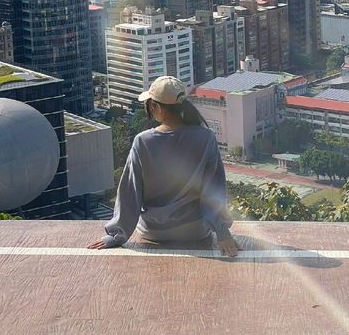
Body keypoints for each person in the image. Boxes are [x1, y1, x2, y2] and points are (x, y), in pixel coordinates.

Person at [87, 76, 239, 256]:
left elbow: (130, 192)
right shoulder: (205, 137)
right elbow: (214, 190)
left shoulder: (143, 141)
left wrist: (116, 235)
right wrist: (222, 232)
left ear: (156, 107)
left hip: (154, 231)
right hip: (195, 231)